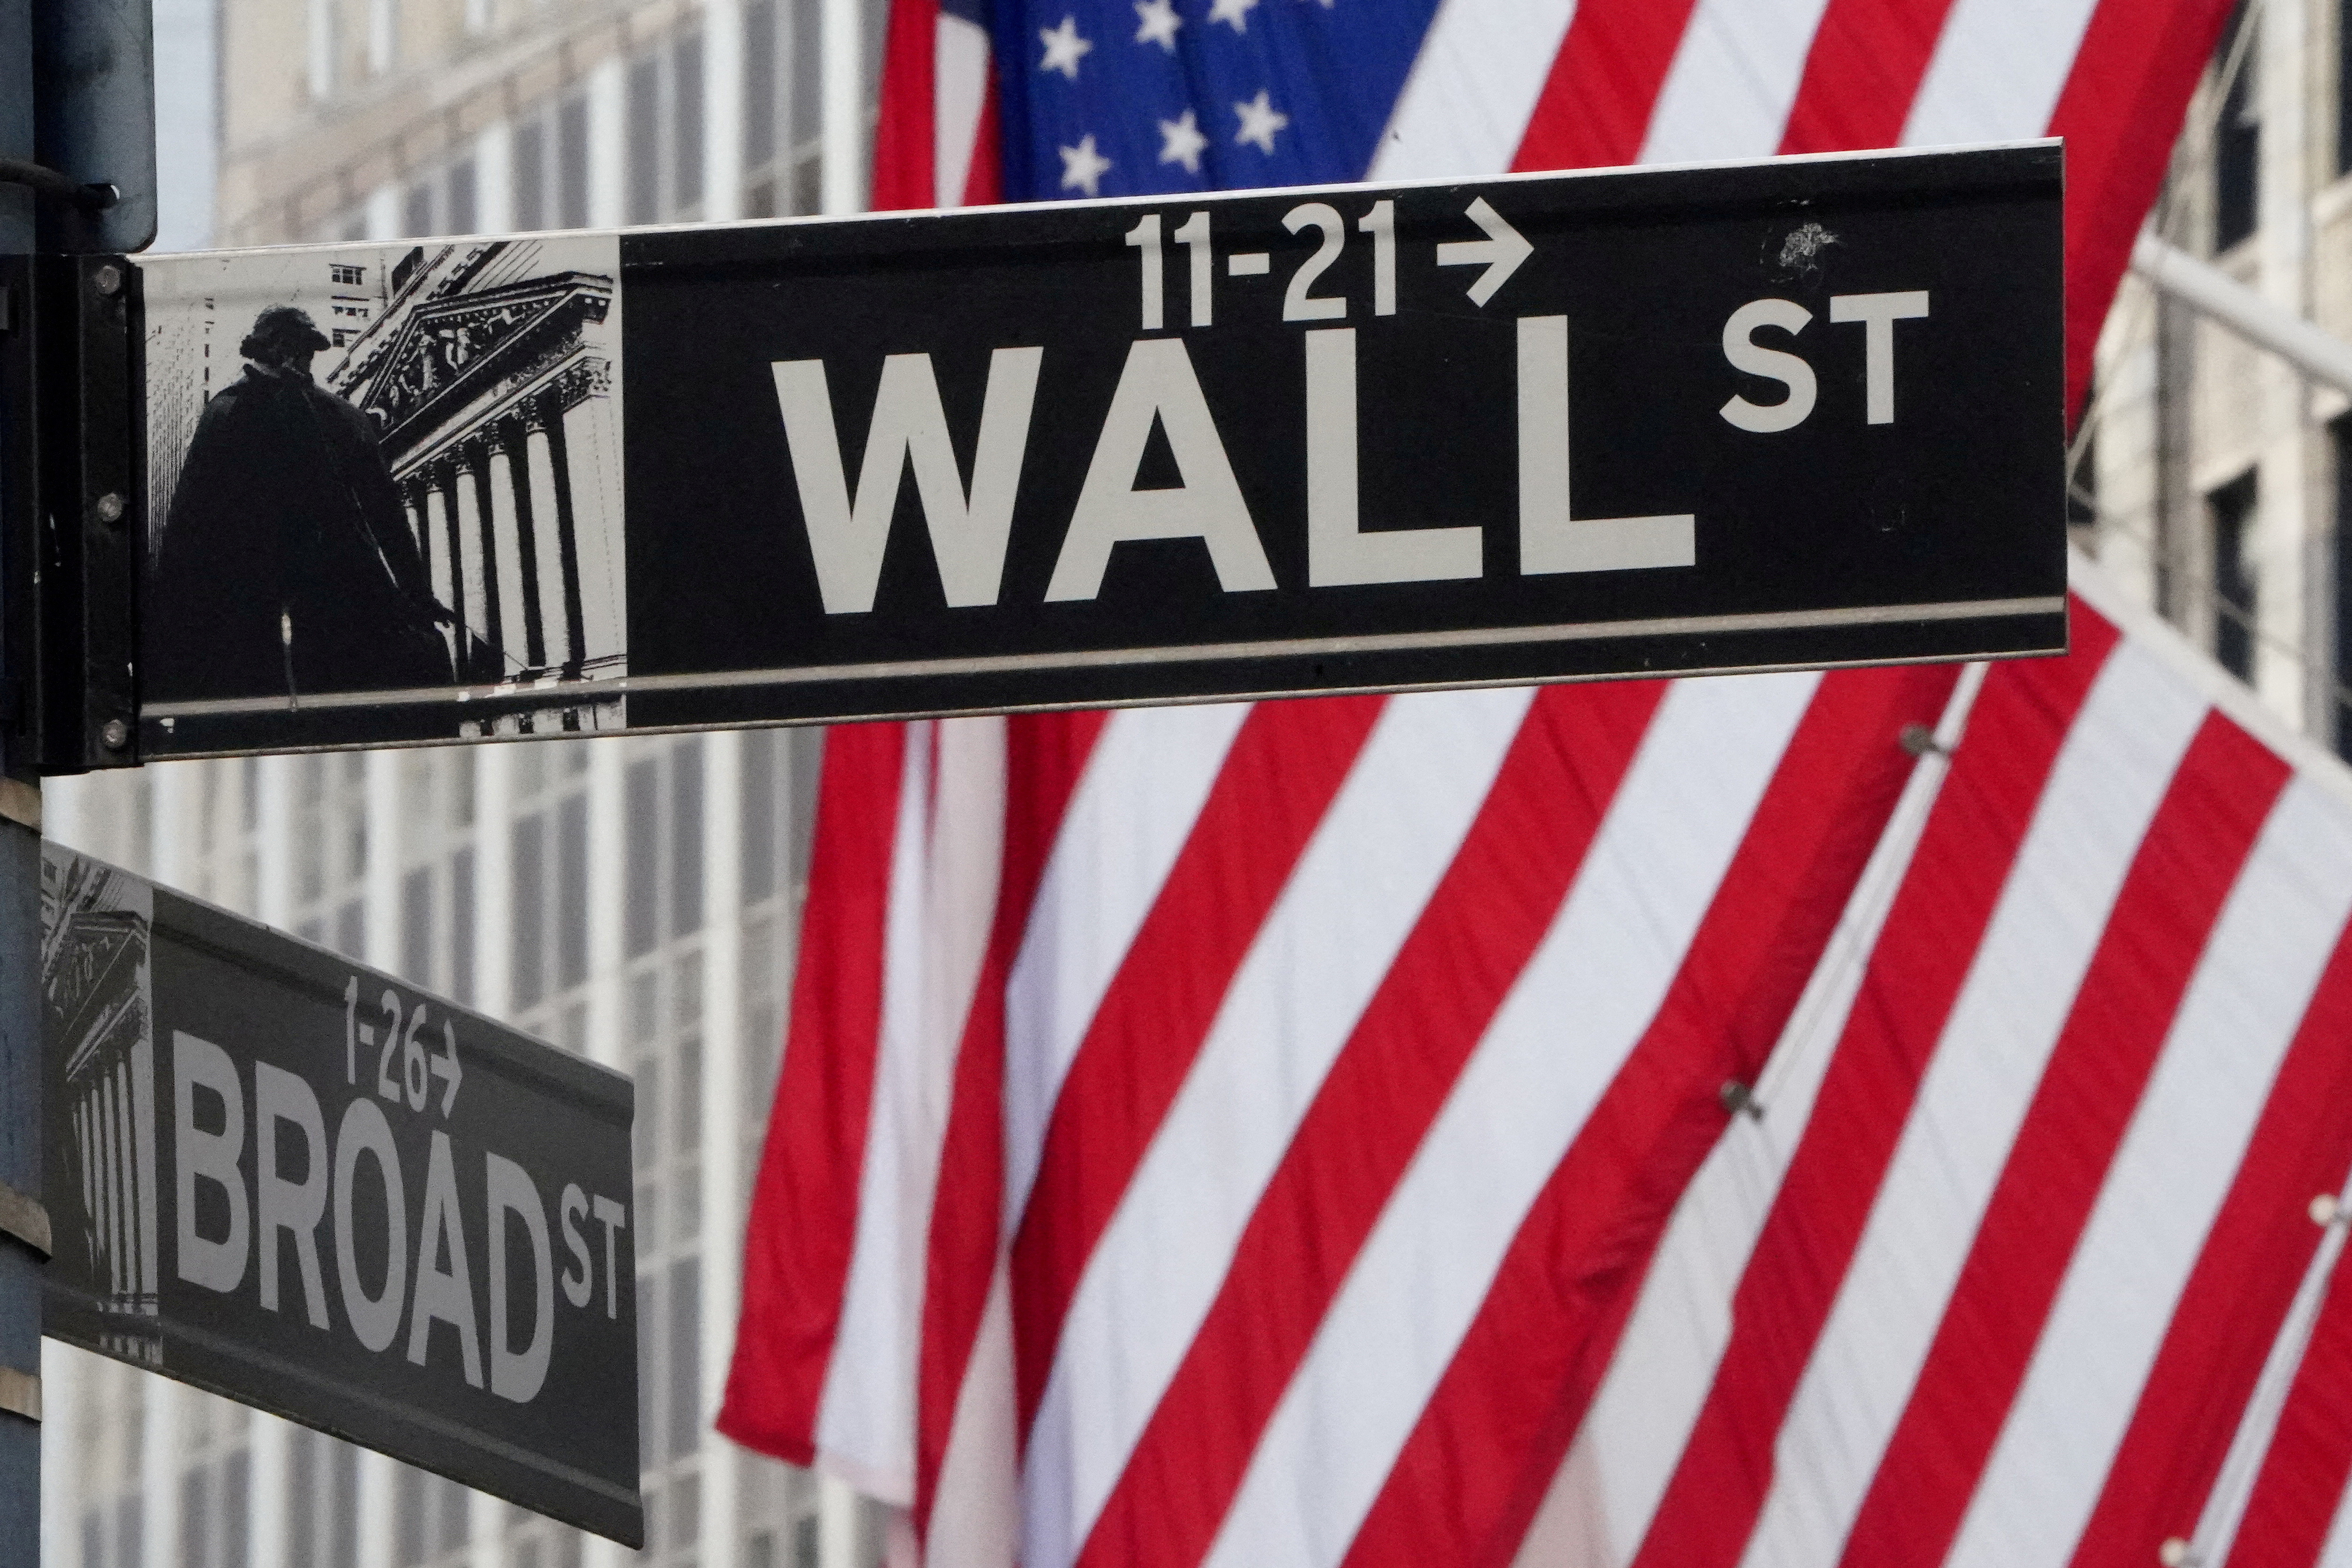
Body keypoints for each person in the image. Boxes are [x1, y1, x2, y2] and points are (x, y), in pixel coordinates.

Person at [147, 304, 456, 705]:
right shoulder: (231, 412)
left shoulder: (335, 416)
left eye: (306, 349)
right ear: (269, 349)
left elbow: (385, 512)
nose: (302, 358)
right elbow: (190, 523)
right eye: (293, 347)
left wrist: (417, 593)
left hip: (320, 588)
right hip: (264, 593)